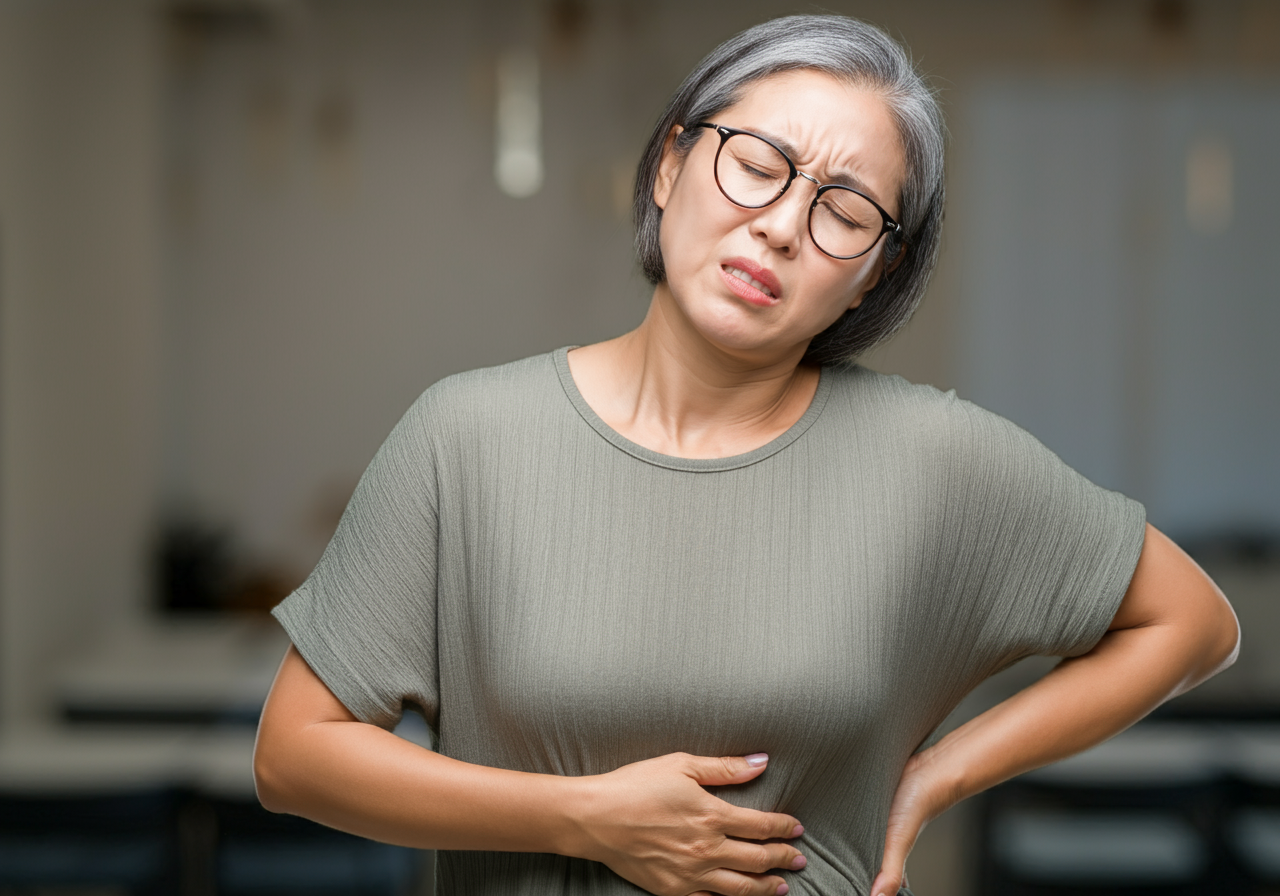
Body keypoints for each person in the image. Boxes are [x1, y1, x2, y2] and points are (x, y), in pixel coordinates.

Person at [253, 15, 1239, 896]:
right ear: (669, 165)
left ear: (869, 277)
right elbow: (293, 755)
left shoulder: (932, 458)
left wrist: (942, 769)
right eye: (758, 162)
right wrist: (584, 815)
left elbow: (1190, 621)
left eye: (843, 211)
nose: (778, 225)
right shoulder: (463, 437)